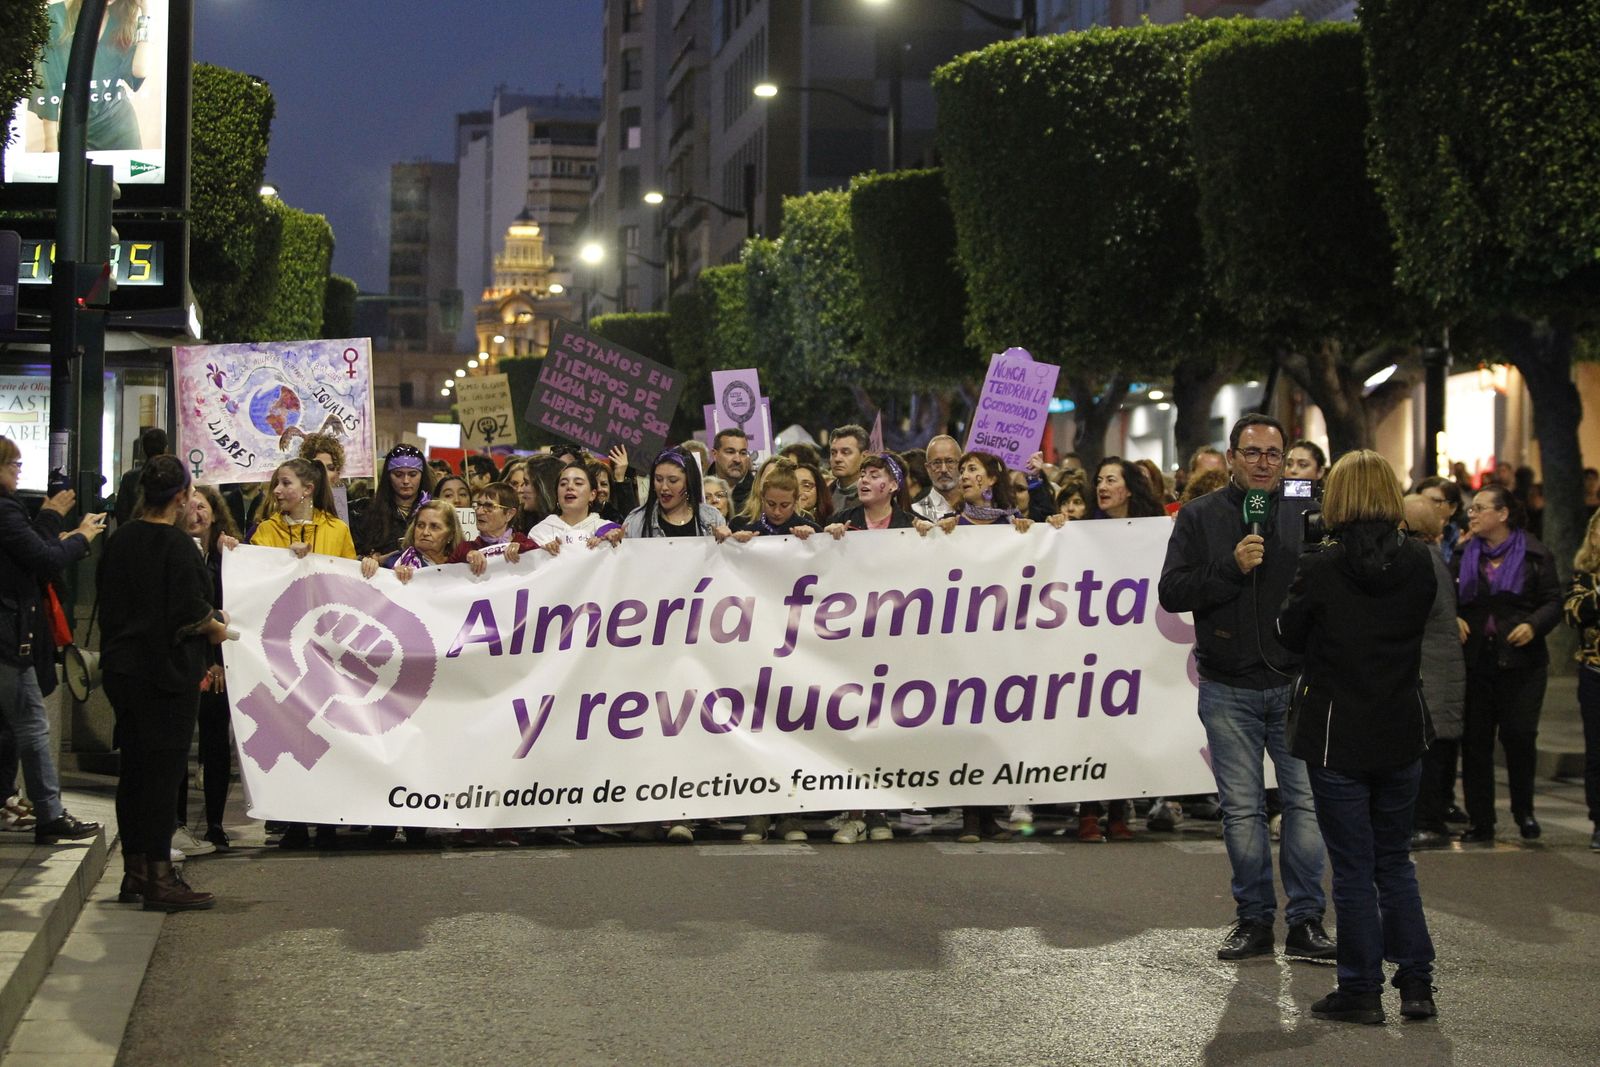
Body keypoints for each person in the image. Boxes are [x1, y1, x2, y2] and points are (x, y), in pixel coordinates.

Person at [1158, 414, 1333, 963]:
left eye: (1273, 454)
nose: (1263, 463)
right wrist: (1230, 568)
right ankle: (1254, 919)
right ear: (1231, 457)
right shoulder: (1199, 516)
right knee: (1241, 810)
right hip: (1229, 684)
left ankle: (1307, 920)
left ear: (1285, 459)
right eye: (1252, 453)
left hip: (1295, 683)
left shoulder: (1308, 512)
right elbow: (1172, 591)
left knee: (1305, 805)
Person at [1275, 450, 1439, 1024]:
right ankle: (1417, 985)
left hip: (1336, 734)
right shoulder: (1420, 561)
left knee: (1352, 867)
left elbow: (1288, 634)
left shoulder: (1321, 565)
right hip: (1400, 727)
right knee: (1394, 862)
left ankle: (1361, 989)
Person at [99, 455, 229, 912]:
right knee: (160, 776)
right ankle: (159, 876)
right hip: (164, 674)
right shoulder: (176, 547)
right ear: (179, 498)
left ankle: (134, 871)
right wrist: (218, 625)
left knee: (134, 770)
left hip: (122, 670)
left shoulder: (119, 542)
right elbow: (192, 613)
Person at [0, 437, 104, 847]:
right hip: (8, 637)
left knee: (9, 726)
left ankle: (11, 799)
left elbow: (30, 552)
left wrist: (47, 519)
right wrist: (80, 537)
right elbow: (42, 559)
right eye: (14, 464)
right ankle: (49, 813)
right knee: (32, 725)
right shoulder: (5, 510)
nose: (18, 472)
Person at [1453, 484, 1562, 842]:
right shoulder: (1464, 553)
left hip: (1522, 663)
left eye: (1481, 508)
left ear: (1502, 514)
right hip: (1477, 662)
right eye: (1472, 508)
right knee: (1476, 743)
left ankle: (1524, 811)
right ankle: (1481, 820)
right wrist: (1454, 617)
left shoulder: (1535, 554)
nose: (1472, 513)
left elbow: (1552, 601)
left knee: (1519, 736)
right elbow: (1446, 599)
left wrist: (1534, 625)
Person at [177, 486, 242, 855]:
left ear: (215, 515)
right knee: (180, 746)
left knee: (216, 744)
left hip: (219, 663)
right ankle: (178, 823)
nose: (196, 512)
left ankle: (215, 824)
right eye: (189, 505)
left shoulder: (226, 559)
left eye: (203, 506)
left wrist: (217, 660)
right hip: (185, 663)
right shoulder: (173, 552)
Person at [1401, 495, 1467, 851]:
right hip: (1438, 669)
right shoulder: (1431, 557)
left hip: (1433, 671)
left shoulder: (1421, 559)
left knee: (1428, 752)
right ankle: (1427, 818)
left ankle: (1428, 822)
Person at [28, 0, 155, 152]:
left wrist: (145, 15)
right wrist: (51, 145)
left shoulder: (123, 20)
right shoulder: (55, 15)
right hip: (74, 128)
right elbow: (47, 84)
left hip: (119, 129)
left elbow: (140, 71)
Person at [1563, 508, 1600, 852]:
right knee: (1597, 751)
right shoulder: (1585, 577)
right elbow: (1573, 613)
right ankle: (1599, 822)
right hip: (1595, 672)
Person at [250, 459, 358, 561]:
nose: (276, 490)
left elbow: (348, 577)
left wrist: (367, 566)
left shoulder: (338, 529)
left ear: (307, 489)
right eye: (277, 483)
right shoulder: (265, 530)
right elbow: (257, 574)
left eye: (286, 483)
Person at [621, 449, 730, 544]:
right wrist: (611, 544)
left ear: (689, 482)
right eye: (658, 479)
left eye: (673, 481)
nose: (664, 487)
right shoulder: (636, 521)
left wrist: (733, 542)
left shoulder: (712, 518)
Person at [353, 444, 435, 558]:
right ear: (388, 476)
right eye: (398, 474)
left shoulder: (435, 512)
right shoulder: (367, 512)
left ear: (422, 475)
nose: (406, 481)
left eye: (412, 474)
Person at [362, 500, 463, 584]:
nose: (425, 532)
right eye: (420, 525)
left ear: (450, 535)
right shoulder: (395, 562)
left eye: (434, 527)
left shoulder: (463, 566)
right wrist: (372, 566)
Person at [529, 464, 622, 551]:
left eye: (578, 483)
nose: (569, 487)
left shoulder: (608, 530)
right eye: (563, 484)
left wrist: (610, 542)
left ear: (592, 495)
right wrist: (543, 555)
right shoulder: (539, 533)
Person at [450, 483, 538, 574]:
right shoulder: (465, 548)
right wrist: (465, 556)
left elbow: (543, 563)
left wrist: (524, 549)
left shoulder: (524, 544)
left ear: (509, 514)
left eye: (489, 506)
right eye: (478, 504)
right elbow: (444, 578)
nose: (479, 512)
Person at [825, 453, 918, 535]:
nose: (864, 480)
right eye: (862, 475)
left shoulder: (911, 525)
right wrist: (827, 536)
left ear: (893, 486)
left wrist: (929, 533)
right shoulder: (840, 520)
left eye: (874, 476)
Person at [729, 462, 820, 542]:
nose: (777, 512)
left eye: (784, 505)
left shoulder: (811, 530)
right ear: (762, 498)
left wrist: (816, 539)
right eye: (771, 504)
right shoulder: (747, 531)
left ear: (796, 500)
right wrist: (735, 543)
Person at [114, 426, 167, 527]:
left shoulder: (129, 477)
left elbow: (121, 512)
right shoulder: (172, 478)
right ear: (166, 448)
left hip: (132, 536)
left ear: (143, 449)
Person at [1092, 457, 1167, 520]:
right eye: (1099, 481)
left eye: (1110, 480)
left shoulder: (1152, 521)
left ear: (1129, 489)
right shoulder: (1086, 524)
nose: (1101, 487)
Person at [912, 435, 961, 523]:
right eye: (936, 463)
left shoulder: (975, 505)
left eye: (950, 461)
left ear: (961, 465)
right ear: (927, 468)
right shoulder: (916, 512)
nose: (943, 469)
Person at [827, 424, 870, 513]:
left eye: (845, 452)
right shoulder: (822, 496)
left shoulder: (878, 498)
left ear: (864, 456)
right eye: (833, 453)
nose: (837, 459)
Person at [710, 429, 755, 511]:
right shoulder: (699, 491)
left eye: (743, 453)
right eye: (730, 452)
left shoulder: (759, 492)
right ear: (715, 454)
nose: (737, 460)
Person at [793, 459, 833, 525]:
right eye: (792, 485)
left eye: (806, 486)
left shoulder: (833, 521)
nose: (798, 492)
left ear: (819, 489)